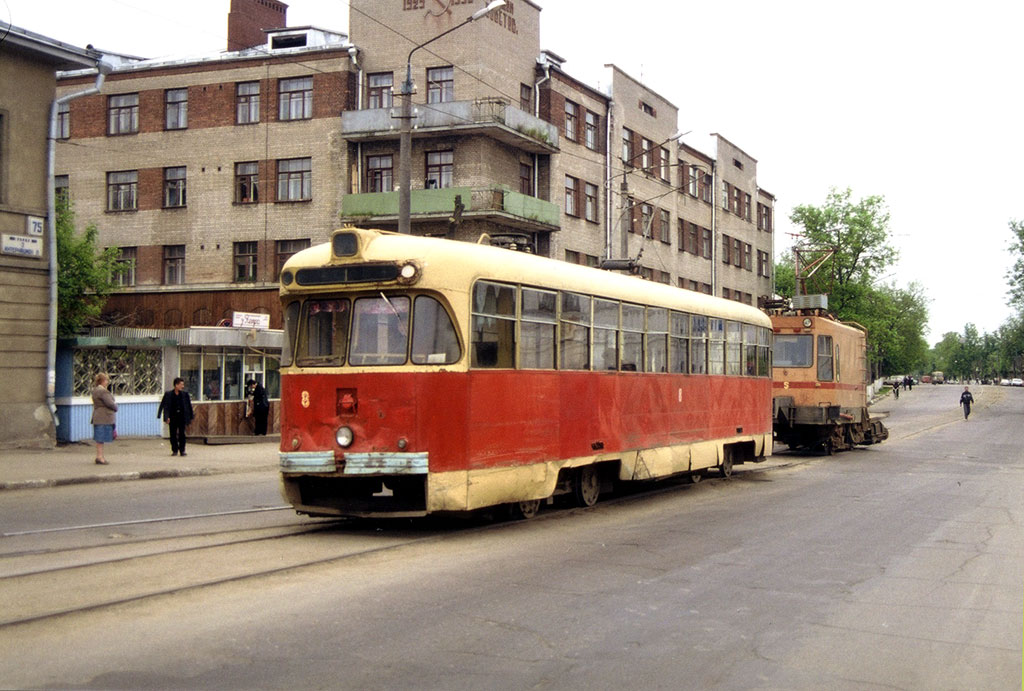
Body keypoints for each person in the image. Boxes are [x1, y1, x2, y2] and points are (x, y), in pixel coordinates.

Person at [158, 376, 195, 456]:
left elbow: (188, 406)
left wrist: (190, 417)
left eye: (183, 384)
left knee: (182, 434)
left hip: (182, 417)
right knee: (173, 434)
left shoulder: (185, 395)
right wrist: (166, 417)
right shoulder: (168, 394)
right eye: (181, 384)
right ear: (176, 385)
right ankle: (174, 450)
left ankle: (182, 450)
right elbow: (165, 406)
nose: (183, 386)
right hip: (173, 417)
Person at [90, 373, 117, 465]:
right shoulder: (103, 391)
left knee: (99, 438)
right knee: (101, 438)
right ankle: (100, 457)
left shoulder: (95, 390)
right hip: (104, 416)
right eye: (106, 380)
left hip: (97, 415)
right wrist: (115, 407)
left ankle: (99, 456)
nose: (107, 382)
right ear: (102, 381)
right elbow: (110, 403)